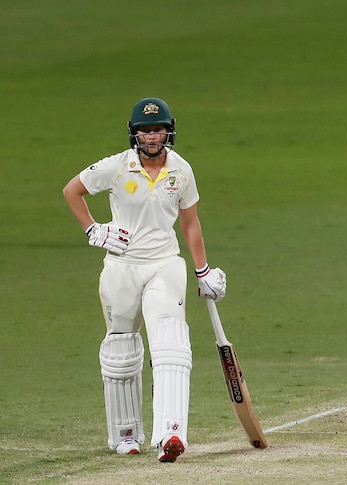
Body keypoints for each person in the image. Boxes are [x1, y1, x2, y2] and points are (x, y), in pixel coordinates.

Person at [62, 97, 227, 462]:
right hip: (121, 266)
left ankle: (171, 432)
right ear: (134, 134)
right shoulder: (117, 166)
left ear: (169, 131)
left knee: (171, 344)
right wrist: (93, 229)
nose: (151, 137)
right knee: (121, 351)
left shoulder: (181, 170)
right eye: (145, 131)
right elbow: (72, 190)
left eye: (157, 130)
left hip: (165, 264)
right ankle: (126, 434)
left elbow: (190, 223)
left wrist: (203, 270)